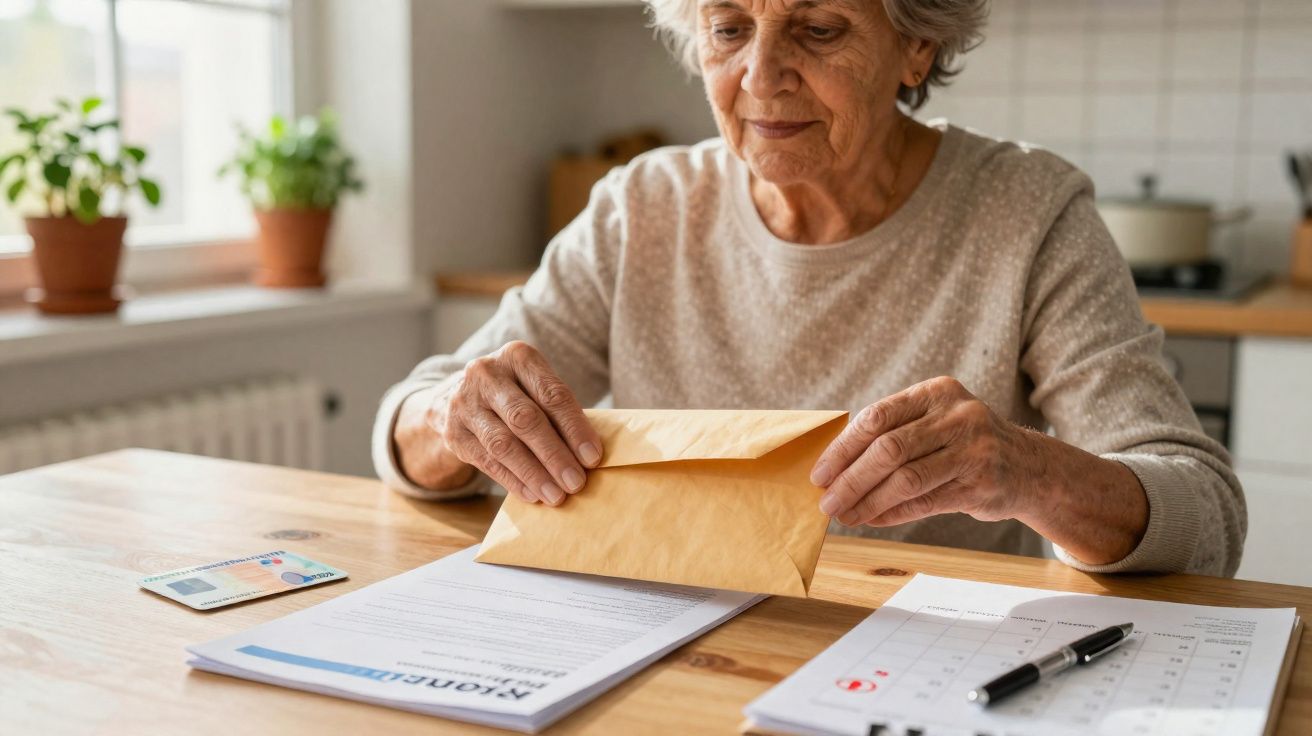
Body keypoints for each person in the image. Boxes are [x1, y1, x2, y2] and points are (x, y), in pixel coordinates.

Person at [372, 0, 1245, 576]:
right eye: (728, 27)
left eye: (818, 27)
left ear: (917, 45)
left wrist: (1027, 472)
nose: (759, 75)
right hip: (674, 647)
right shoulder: (643, 205)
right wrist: (450, 415)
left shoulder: (1027, 212)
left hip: (918, 665)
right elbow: (415, 430)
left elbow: (1205, 514)